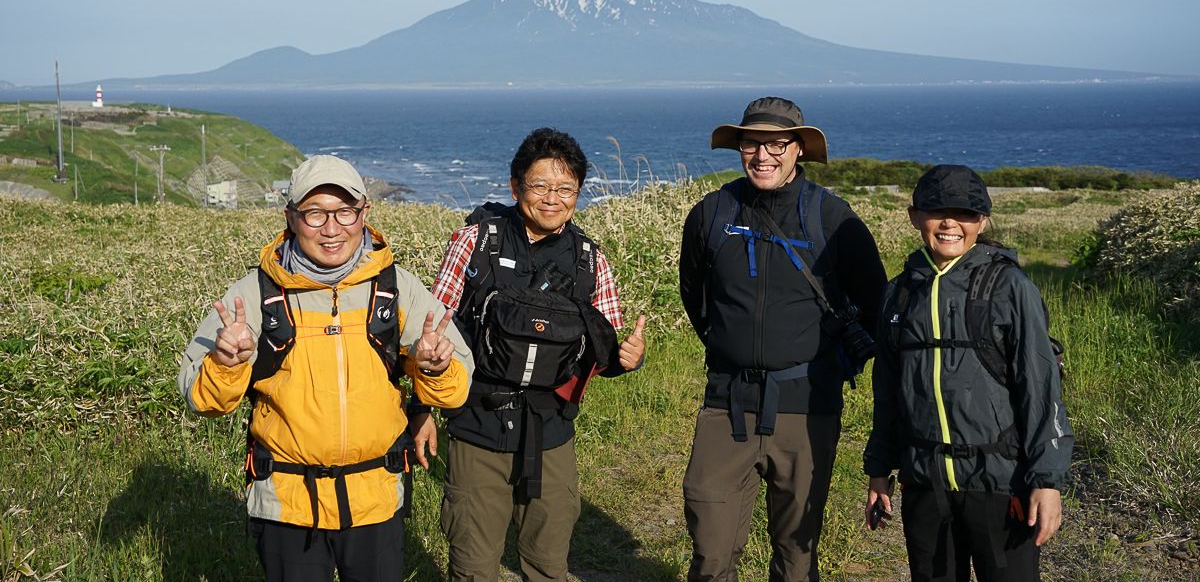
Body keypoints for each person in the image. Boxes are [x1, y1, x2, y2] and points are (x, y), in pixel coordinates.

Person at [177, 154, 473, 582]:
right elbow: (199, 398)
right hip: (287, 505)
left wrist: (435, 367)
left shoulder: (396, 288)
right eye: (315, 213)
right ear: (291, 217)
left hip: (376, 499)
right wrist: (225, 363)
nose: (331, 229)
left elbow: (457, 389)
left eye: (344, 212)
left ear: (364, 213)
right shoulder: (255, 294)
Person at [409, 127, 647, 582]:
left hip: (551, 433)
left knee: (548, 564)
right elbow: (435, 336)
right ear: (515, 186)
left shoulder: (588, 260)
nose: (552, 199)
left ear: (578, 192)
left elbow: (602, 354)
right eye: (539, 186)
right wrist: (421, 408)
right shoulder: (477, 242)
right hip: (477, 426)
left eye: (565, 189)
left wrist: (624, 359)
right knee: (473, 566)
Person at [678, 96, 887, 582]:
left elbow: (877, 304)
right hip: (726, 404)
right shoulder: (711, 213)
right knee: (710, 551)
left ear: (798, 150)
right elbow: (696, 298)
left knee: (797, 555)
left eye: (776, 144)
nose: (762, 155)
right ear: (739, 148)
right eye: (752, 143)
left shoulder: (833, 218)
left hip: (807, 406)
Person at [863, 164, 1073, 582]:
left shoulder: (1010, 287)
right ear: (914, 216)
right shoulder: (899, 293)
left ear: (983, 221)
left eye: (965, 213)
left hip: (999, 483)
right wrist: (879, 471)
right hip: (924, 482)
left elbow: (1041, 387)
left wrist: (1047, 482)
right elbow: (888, 392)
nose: (949, 223)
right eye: (936, 210)